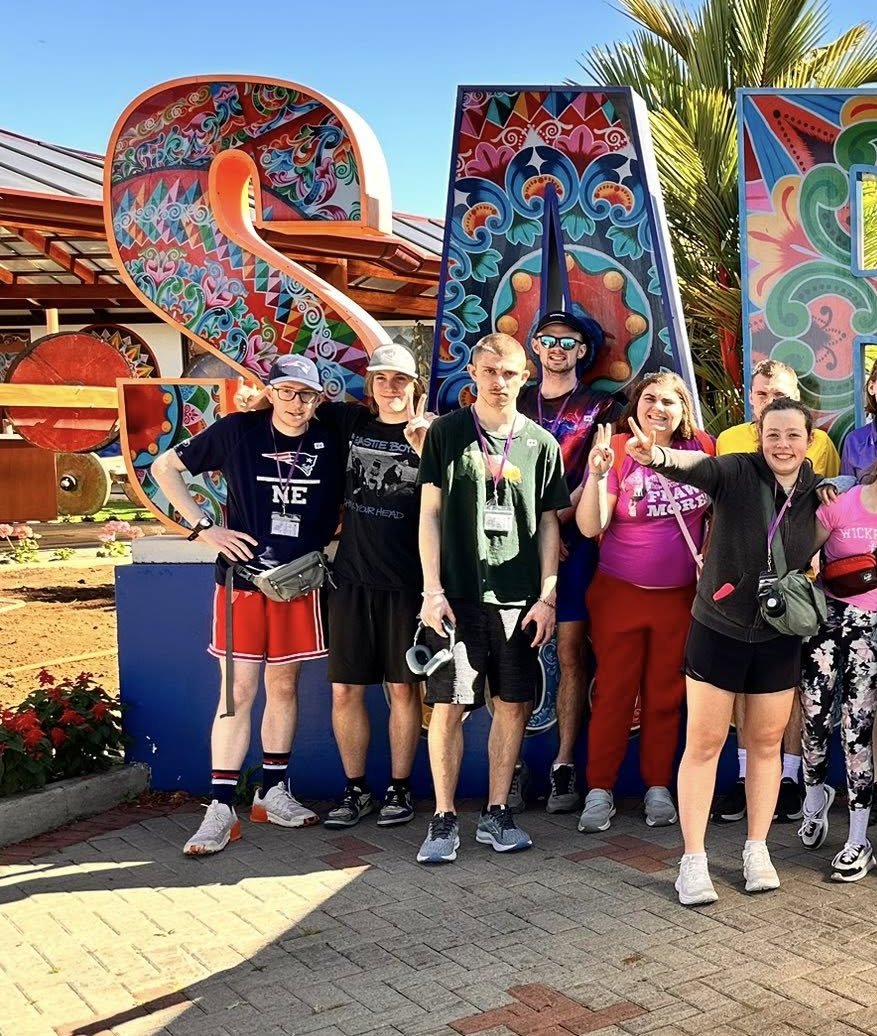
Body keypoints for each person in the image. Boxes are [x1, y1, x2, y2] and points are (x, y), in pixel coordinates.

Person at [152, 355, 347, 856]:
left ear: (319, 398)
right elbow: (165, 467)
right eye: (286, 391)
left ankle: (272, 793)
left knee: (284, 683)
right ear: (271, 391)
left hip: (298, 583)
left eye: (306, 394)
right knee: (237, 690)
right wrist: (203, 529)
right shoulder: (239, 429)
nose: (296, 402)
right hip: (242, 581)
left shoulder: (331, 438)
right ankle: (220, 807)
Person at [640, 395, 825, 903]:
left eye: (793, 435)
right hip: (718, 626)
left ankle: (756, 849)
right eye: (773, 435)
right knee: (704, 744)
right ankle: (693, 860)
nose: (782, 445)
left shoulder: (821, 492)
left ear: (810, 441)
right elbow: (694, 466)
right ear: (759, 438)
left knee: (765, 745)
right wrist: (656, 456)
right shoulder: (737, 472)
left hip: (778, 633)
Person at [416, 335, 568, 863]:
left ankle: (496, 813)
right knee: (448, 706)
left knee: (513, 706)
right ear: (473, 373)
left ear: (524, 376)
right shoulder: (447, 433)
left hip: (518, 601)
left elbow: (550, 525)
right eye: (488, 371)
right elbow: (429, 515)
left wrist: (547, 597)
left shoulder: (542, 444)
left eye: (508, 372)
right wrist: (431, 590)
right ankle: (442, 819)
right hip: (455, 597)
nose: (498, 381)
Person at [572, 371, 713, 833]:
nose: (659, 408)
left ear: (683, 410)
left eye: (670, 401)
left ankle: (657, 785)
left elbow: (721, 511)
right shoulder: (613, 450)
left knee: (666, 696)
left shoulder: (703, 450)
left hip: (679, 600)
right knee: (614, 692)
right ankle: (599, 789)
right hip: (619, 596)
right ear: (635, 407)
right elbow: (592, 528)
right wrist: (595, 477)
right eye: (650, 399)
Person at [712, 358, 840, 820]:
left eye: (781, 394)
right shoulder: (728, 441)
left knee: (791, 686)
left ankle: (788, 777)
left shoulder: (821, 443)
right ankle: (748, 776)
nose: (772, 401)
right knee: (747, 690)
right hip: (743, 584)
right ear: (751, 396)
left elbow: (826, 502)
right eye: (763, 394)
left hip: (796, 585)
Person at [799, 433, 877, 881]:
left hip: (871, 630)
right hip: (825, 622)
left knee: (858, 731)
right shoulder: (840, 502)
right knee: (813, 719)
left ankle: (858, 839)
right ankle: (814, 795)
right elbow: (802, 560)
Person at [320, 343, 432, 830]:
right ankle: (355, 788)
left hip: (408, 583)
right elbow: (289, 406)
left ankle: (400, 789)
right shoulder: (349, 424)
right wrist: (254, 402)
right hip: (351, 580)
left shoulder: (435, 434)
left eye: (401, 380)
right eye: (382, 379)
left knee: (404, 690)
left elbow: (457, 496)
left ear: (415, 387)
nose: (391, 388)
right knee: (345, 691)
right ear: (370, 385)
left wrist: (426, 446)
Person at [520, 308, 617, 817]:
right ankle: (511, 763)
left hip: (577, 541)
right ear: (534, 348)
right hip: (514, 542)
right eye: (547, 339)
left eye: (567, 341)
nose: (556, 348)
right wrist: (539, 527)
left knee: (572, 649)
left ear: (582, 351)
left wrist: (560, 519)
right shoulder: (513, 400)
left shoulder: (602, 406)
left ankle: (563, 765)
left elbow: (602, 468)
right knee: (507, 649)